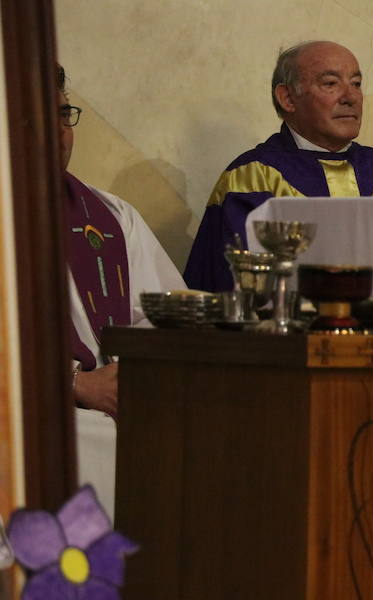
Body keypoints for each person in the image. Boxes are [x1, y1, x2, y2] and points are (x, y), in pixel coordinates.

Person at [184, 41, 373, 291]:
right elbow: (229, 287)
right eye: (330, 84)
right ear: (288, 98)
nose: (351, 98)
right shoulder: (252, 177)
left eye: (356, 84)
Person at [58, 65, 185, 510]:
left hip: (117, 400)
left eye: (62, 114)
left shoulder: (111, 215)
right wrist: (75, 384)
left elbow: (162, 313)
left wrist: (136, 378)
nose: (58, 132)